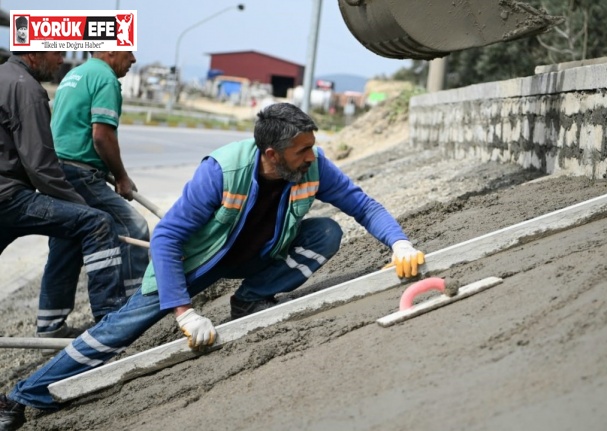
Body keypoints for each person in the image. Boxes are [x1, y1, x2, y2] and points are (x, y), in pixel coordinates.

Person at [0, 103, 425, 428]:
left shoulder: (314, 167)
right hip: (195, 264)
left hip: (258, 257)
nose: (312, 157)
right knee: (115, 332)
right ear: (272, 154)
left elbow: (363, 206)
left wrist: (400, 243)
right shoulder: (223, 171)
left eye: (312, 148)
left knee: (325, 233)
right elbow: (166, 237)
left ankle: (251, 298)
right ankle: (21, 397)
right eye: (303, 150)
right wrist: (183, 311)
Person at [0, 53, 127, 343]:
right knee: (97, 223)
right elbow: (41, 166)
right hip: (9, 198)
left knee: (70, 231)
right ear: (34, 54)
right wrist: (78, 204)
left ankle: (51, 328)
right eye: (57, 53)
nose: (62, 60)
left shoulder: (5, 78)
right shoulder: (27, 89)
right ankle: (112, 329)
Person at [45, 50, 148, 337]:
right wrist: (123, 178)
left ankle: (50, 325)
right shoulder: (105, 78)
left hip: (58, 171)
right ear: (111, 50)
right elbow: (102, 136)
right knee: (133, 227)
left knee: (66, 243)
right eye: (130, 52)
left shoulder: (75, 74)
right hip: (79, 173)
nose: (133, 60)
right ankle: (133, 310)